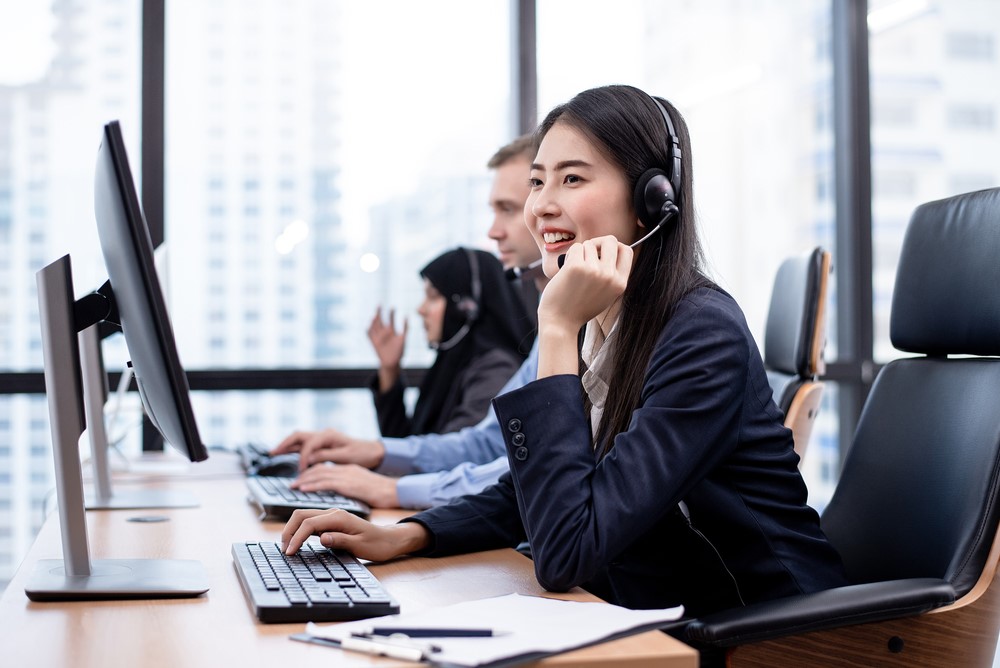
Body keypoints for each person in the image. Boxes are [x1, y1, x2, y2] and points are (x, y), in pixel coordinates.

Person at [280, 85, 848, 618]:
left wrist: (554, 326)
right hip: (655, 607)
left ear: (653, 198)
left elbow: (567, 552)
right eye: (537, 182)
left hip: (764, 628)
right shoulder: (608, 322)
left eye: (572, 180)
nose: (542, 206)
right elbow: (535, 486)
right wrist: (408, 534)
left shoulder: (701, 334)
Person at [272, 136, 548, 509]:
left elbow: (507, 467)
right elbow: (484, 444)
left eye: (508, 209)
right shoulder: (545, 337)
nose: (493, 231)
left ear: (464, 307)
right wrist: (375, 441)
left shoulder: (501, 363)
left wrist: (390, 489)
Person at [366, 246, 532, 439]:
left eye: (433, 297)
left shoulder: (495, 369)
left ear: (466, 307)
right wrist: (389, 369)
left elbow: (454, 453)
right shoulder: (452, 362)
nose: (421, 309)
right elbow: (404, 446)